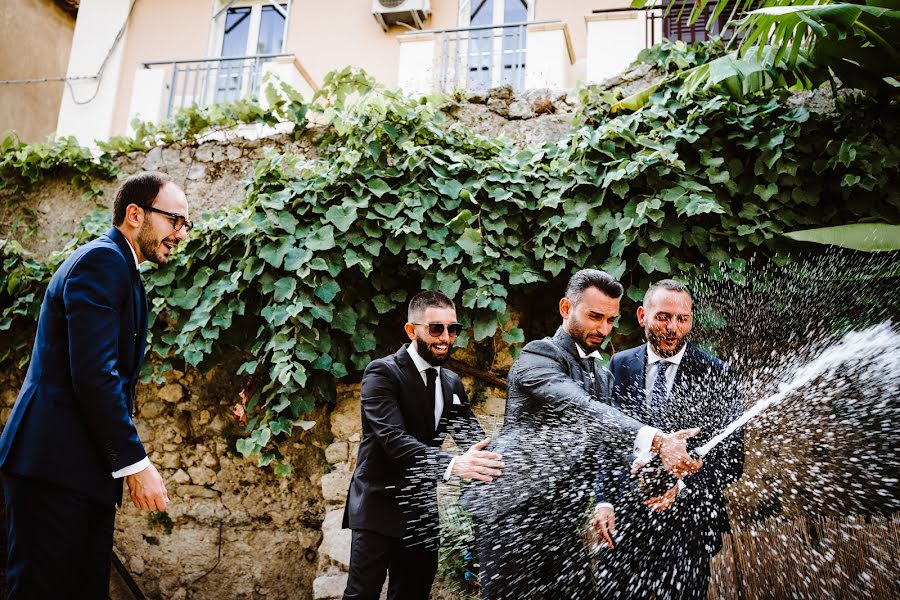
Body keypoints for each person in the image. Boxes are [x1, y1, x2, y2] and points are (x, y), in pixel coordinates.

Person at [0, 171, 190, 598]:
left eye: (186, 224)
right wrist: (135, 463)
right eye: (174, 220)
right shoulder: (102, 262)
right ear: (135, 215)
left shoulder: (124, 271)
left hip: (81, 470)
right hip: (52, 465)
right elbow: (94, 373)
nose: (181, 234)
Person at [461, 269, 703, 599]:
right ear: (565, 308)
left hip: (560, 522)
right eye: (594, 317)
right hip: (510, 514)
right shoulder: (538, 357)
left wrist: (656, 466)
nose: (603, 329)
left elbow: (610, 442)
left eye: (610, 320)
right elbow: (582, 408)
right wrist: (658, 440)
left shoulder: (601, 376)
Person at [341, 291, 504, 600]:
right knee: (362, 595)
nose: (446, 337)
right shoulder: (382, 373)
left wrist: (512, 462)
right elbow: (394, 440)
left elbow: (476, 441)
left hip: (422, 513)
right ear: (411, 330)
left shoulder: (452, 382)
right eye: (436, 329)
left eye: (452, 329)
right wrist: (454, 464)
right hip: (377, 507)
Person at [592, 279, 744, 599]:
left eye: (682, 319)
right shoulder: (619, 365)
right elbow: (606, 439)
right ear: (642, 315)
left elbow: (733, 460)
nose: (672, 327)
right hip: (624, 525)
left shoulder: (716, 374)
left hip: (687, 532)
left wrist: (683, 483)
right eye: (662, 316)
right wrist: (603, 500)